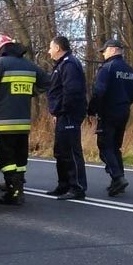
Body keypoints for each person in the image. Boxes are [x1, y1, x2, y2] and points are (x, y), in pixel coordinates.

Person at [0, 34, 49, 205]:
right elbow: (47, 82)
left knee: (5, 158)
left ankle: (14, 192)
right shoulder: (29, 65)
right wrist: (30, 92)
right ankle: (19, 188)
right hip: (24, 121)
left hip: (4, 121)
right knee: (20, 158)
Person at [87, 37, 133, 197]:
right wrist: (126, 99)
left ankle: (118, 178)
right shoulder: (128, 69)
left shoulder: (107, 68)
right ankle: (118, 180)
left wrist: (91, 110)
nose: (103, 54)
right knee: (115, 147)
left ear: (112, 49)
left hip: (108, 112)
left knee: (105, 146)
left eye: (104, 51)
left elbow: (99, 92)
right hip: (123, 111)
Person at [45, 35, 88, 200]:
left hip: (69, 115)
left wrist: (63, 110)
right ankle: (63, 185)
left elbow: (72, 91)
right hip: (62, 115)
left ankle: (77, 187)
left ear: (58, 48)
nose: (49, 52)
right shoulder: (61, 64)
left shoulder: (69, 64)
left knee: (70, 151)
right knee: (60, 151)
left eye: (50, 48)